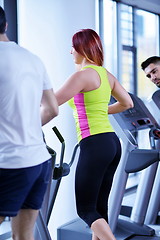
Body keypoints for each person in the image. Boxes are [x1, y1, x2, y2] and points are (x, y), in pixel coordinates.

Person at [55, 28, 133, 240]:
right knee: (99, 208)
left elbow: (52, 101)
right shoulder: (106, 75)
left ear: (81, 47)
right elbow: (128, 103)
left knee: (86, 209)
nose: (70, 51)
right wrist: (99, 110)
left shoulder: (82, 75)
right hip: (112, 143)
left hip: (94, 143)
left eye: (73, 47)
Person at [0, 6, 58, 240]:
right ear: (5, 25)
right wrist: (25, 128)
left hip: (8, 163)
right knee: (24, 237)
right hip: (38, 161)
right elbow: (52, 109)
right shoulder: (33, 59)